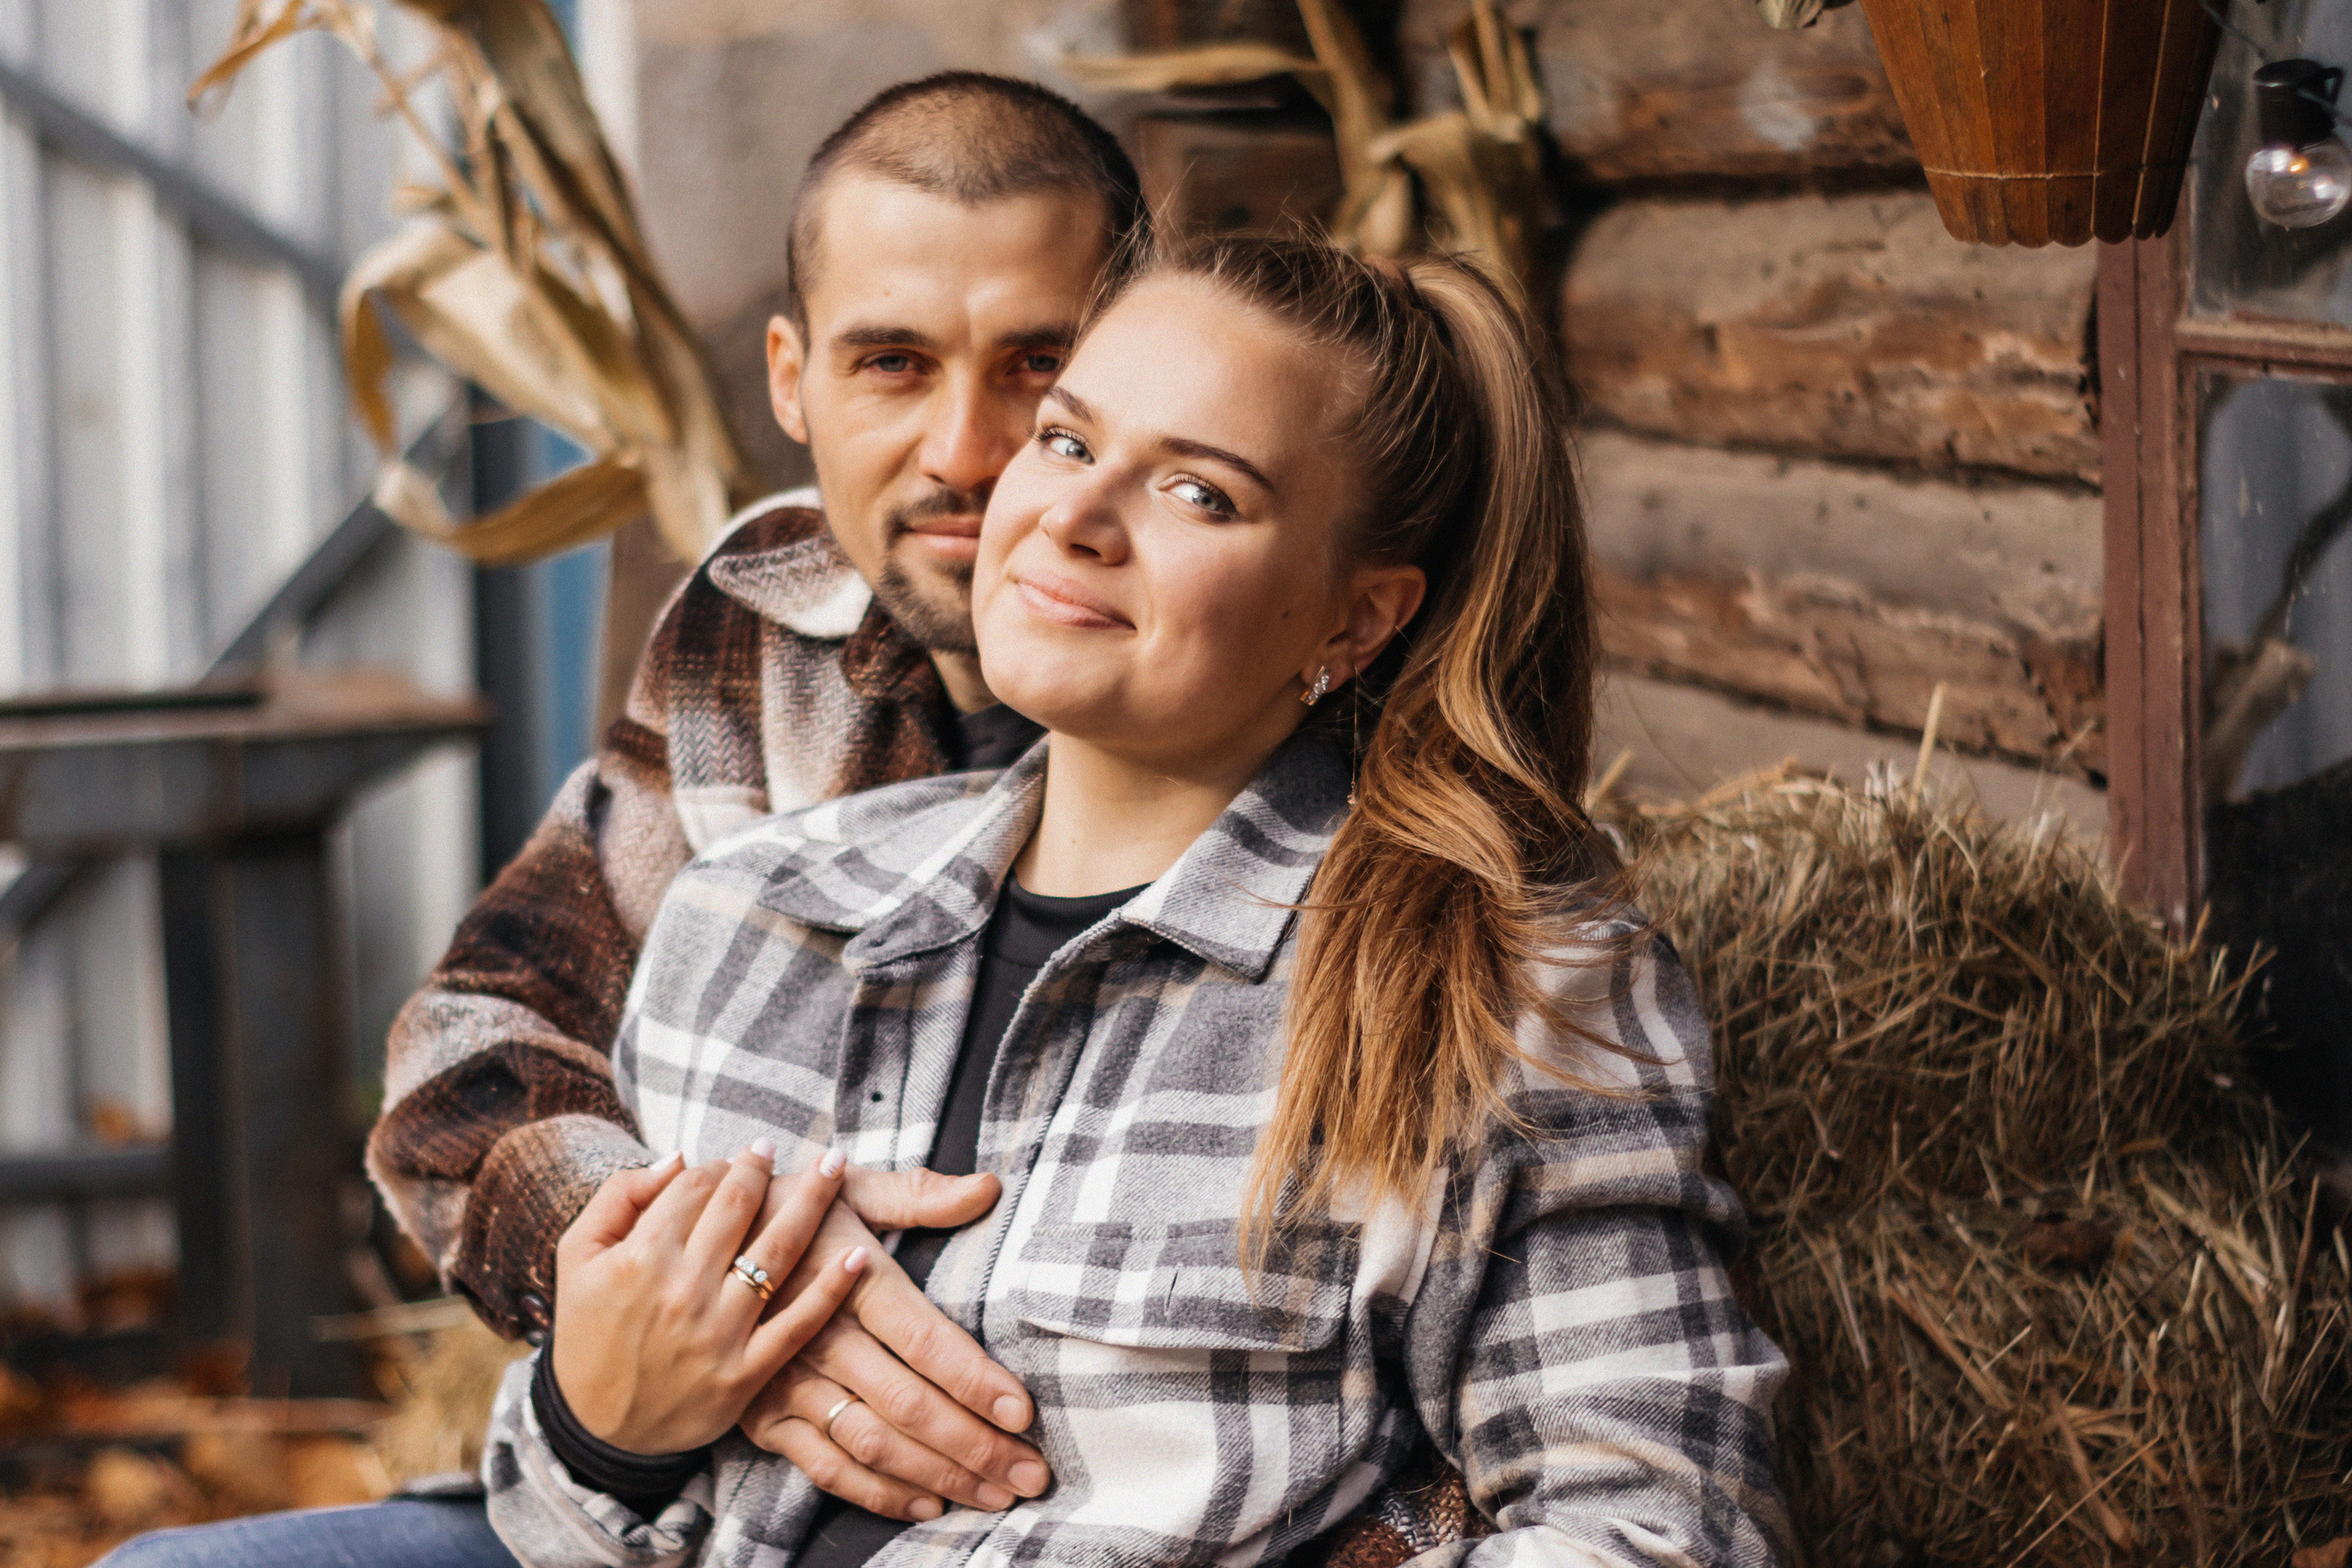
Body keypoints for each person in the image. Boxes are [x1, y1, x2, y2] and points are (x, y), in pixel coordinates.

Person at [482, 233, 1791, 1568]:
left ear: (1356, 622)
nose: (1076, 515)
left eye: (1200, 495)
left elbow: (1659, 1529)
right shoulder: (752, 917)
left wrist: (1398, 1538)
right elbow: (541, 1506)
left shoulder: (1477, 984)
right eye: (1064, 441)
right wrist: (599, 1428)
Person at [96, 71, 1132, 1568]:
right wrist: (705, 1287)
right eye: (891, 364)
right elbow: (474, 1046)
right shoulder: (765, 627)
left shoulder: (1269, 677)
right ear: (793, 379)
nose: (966, 452)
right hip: (678, 1477)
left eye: (1039, 367)